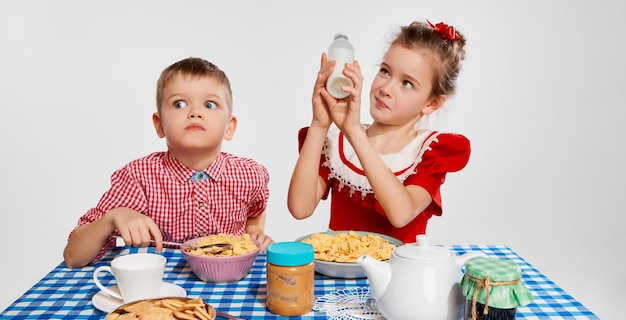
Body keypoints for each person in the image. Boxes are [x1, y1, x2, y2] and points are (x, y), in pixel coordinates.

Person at [64, 57, 272, 268]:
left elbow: (256, 209)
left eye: (210, 104)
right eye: (179, 104)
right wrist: (111, 218)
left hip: (230, 284)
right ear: (159, 124)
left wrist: (255, 229)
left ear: (229, 127)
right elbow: (73, 256)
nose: (195, 113)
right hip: (162, 288)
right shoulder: (138, 177)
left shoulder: (250, 174)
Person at [288, 21, 471, 243]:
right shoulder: (338, 143)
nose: (386, 89)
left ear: (432, 103)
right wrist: (319, 124)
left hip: (399, 275)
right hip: (339, 273)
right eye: (385, 71)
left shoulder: (429, 152)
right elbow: (300, 208)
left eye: (407, 83)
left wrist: (354, 131)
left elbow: (401, 214)